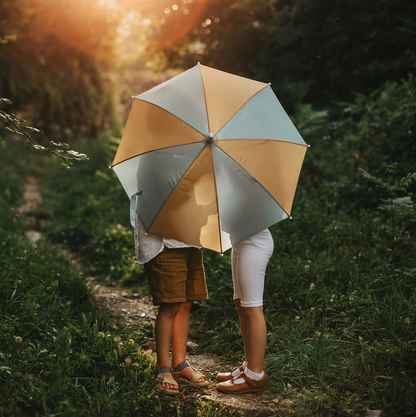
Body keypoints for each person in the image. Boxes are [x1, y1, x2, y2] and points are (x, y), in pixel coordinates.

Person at [134, 214, 209, 395]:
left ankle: (179, 362)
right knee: (171, 304)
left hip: (190, 238)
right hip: (165, 243)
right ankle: (162, 365)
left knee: (185, 302)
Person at [216, 228, 274, 394]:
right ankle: (248, 365)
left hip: (253, 242)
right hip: (240, 242)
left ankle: (255, 375)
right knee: (241, 304)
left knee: (253, 308)